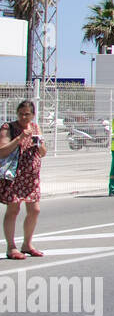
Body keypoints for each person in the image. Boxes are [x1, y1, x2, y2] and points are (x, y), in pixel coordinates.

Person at [1, 100, 48, 259]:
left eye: (27, 114)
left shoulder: (35, 127)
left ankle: (27, 244)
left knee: (35, 210)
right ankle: (11, 247)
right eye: (21, 113)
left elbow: (42, 152)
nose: (23, 117)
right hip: (15, 177)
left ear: (33, 115)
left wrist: (39, 144)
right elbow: (2, 151)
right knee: (13, 210)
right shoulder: (9, 128)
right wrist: (20, 138)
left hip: (31, 177)